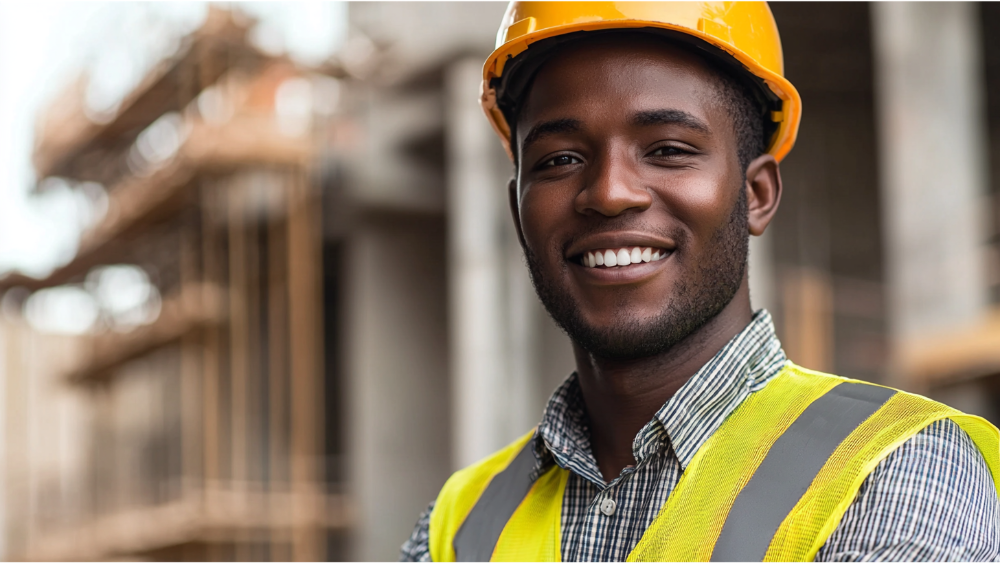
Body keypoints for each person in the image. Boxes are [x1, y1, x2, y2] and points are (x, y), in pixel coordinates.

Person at [401, 2, 1000, 562]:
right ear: (518, 213)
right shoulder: (462, 521)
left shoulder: (895, 473)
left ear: (757, 195)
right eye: (559, 159)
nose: (610, 193)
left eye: (667, 149)